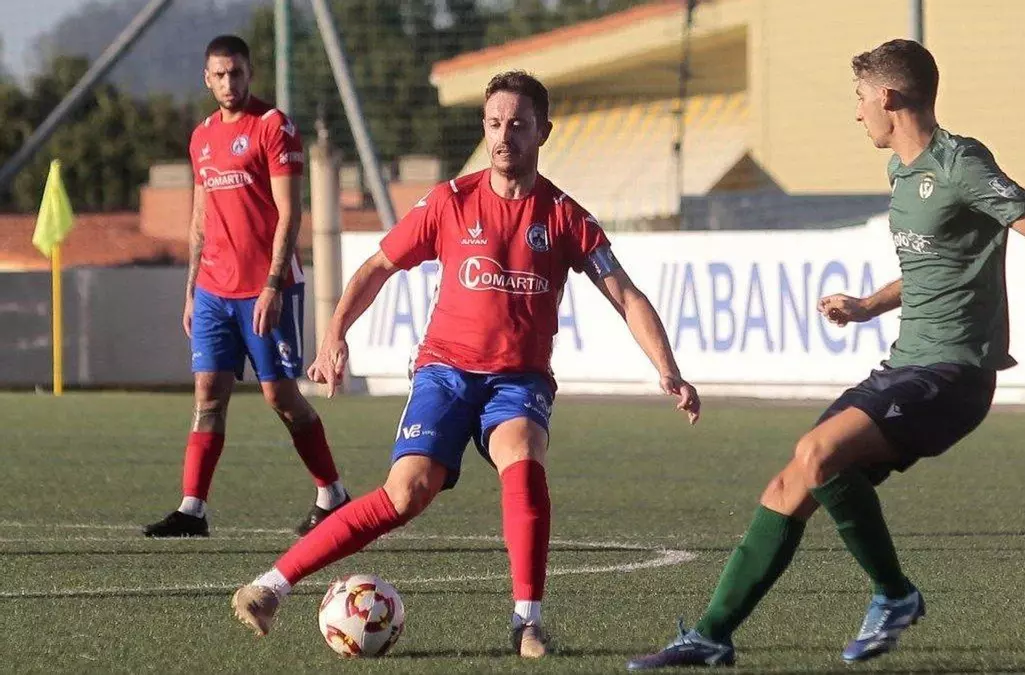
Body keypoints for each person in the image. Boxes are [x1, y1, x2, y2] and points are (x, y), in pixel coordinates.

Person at [627, 38, 1025, 670]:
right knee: (790, 484)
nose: (856, 113)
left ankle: (895, 594)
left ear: (888, 96)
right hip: (905, 366)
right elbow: (934, 267)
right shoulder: (901, 173)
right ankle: (712, 635)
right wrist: (866, 307)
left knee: (818, 453)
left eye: (859, 98)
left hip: (954, 374)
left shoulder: (961, 163)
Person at [230, 70, 702, 658]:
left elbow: (625, 294)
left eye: (519, 125)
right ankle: (270, 588)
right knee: (406, 493)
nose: (505, 136)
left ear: (543, 132)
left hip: (519, 379)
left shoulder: (565, 216)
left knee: (522, 456)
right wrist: (333, 335)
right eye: (495, 123)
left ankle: (527, 622)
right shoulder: (449, 201)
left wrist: (668, 369)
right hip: (445, 372)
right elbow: (377, 267)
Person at [143, 35, 349, 539]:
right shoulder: (201, 137)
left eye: (236, 72)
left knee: (280, 396)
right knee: (207, 394)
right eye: (219, 74)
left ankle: (333, 494)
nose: (229, 82)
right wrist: (191, 289)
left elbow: (290, 213)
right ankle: (193, 509)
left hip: (266, 288)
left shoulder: (274, 126)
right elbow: (200, 217)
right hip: (214, 290)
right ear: (206, 79)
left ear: (249, 73)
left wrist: (273, 285)